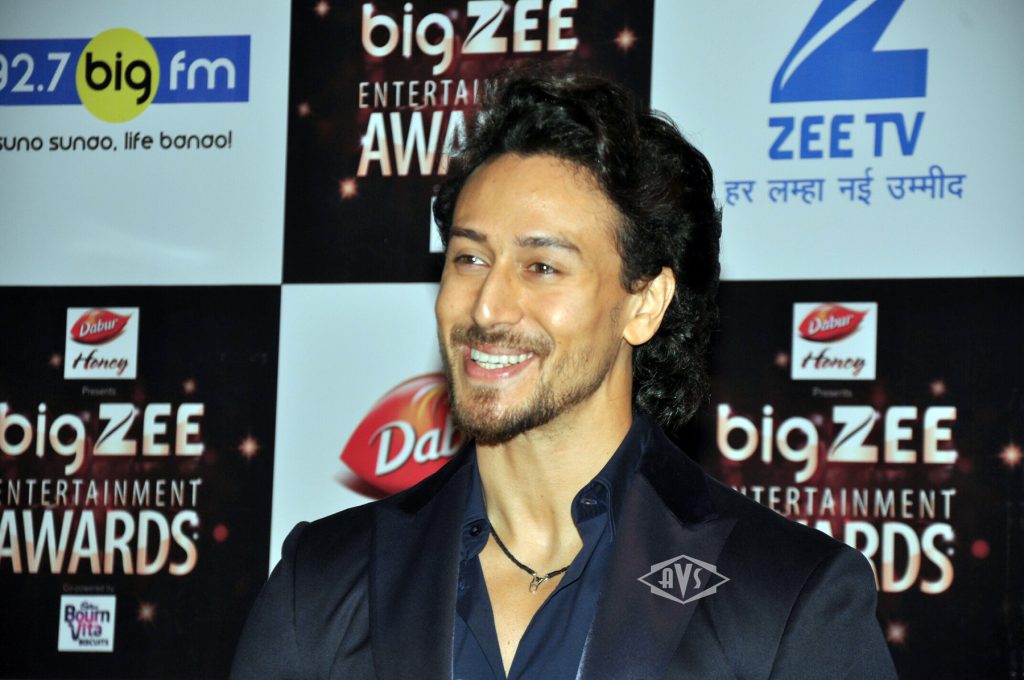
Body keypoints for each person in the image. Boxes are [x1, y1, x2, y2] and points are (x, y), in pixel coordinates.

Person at [231, 68, 897, 679]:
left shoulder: (785, 596)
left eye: (542, 267)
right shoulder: (321, 580)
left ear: (643, 305)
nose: (487, 306)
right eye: (469, 259)